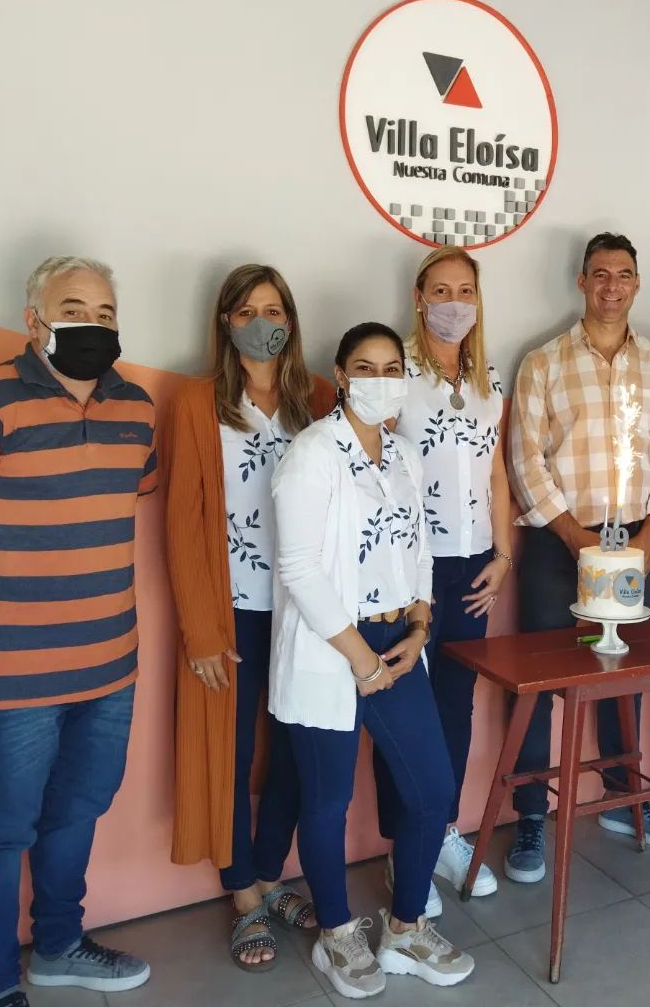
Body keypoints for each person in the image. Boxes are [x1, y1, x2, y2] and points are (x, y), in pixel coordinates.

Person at [270, 323, 474, 997]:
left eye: (392, 369)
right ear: (340, 374)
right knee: (327, 801)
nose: (380, 380)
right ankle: (336, 935)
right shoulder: (311, 454)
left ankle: (407, 928)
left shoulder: (403, 455)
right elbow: (299, 568)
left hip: (397, 641)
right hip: (332, 647)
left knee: (432, 791)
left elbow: (420, 546)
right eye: (365, 367)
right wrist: (361, 660)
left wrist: (420, 622)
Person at [0, 257, 155, 1007]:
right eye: (74, 309)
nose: (93, 325)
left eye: (106, 313)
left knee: (78, 812)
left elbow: (131, 494)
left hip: (109, 667)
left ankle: (57, 948)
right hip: (10, 674)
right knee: (0, 831)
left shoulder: (137, 408)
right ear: (35, 320)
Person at [506, 232, 650, 882]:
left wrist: (649, 540)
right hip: (558, 542)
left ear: (637, 283)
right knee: (539, 676)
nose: (612, 286)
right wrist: (573, 537)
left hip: (635, 540)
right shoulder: (543, 362)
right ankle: (530, 813)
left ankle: (623, 798)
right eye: (600, 274)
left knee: (622, 671)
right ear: (581, 282)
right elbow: (525, 458)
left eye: (624, 274)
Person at [165, 264, 335, 970]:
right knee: (231, 756)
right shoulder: (197, 401)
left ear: (290, 320)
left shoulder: (318, 398)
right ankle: (242, 894)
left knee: (299, 750)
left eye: (273, 309)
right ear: (225, 322)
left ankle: (268, 873)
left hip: (307, 612)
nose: (261, 322)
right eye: (245, 311)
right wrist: (201, 631)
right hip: (233, 613)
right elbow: (182, 521)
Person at [374, 246, 510, 916]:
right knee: (407, 708)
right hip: (411, 568)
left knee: (456, 703)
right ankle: (406, 850)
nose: (454, 302)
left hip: (473, 564)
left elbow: (496, 472)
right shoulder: (395, 372)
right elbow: (370, 467)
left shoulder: (488, 375)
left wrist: (504, 554)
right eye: (441, 290)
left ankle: (443, 831)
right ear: (419, 297)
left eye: (465, 290)